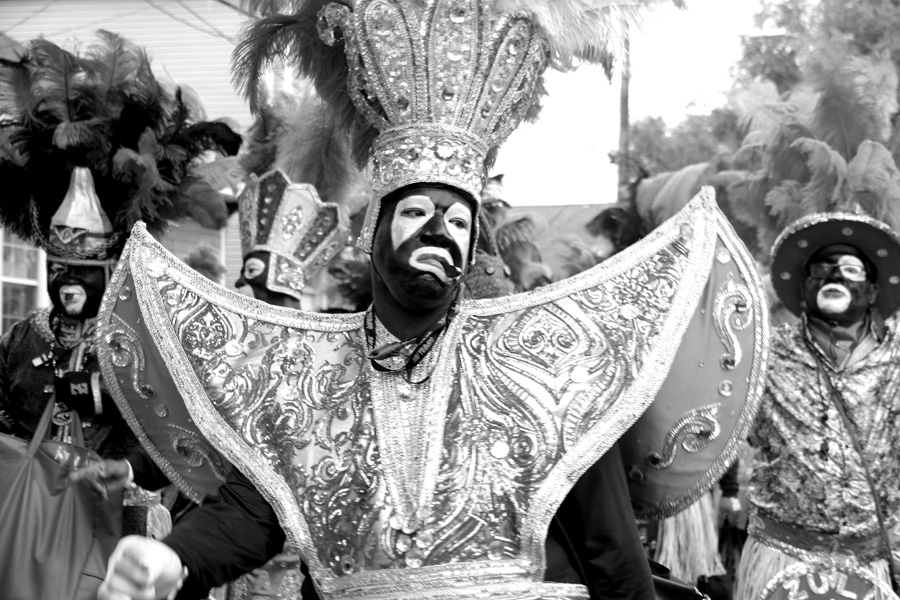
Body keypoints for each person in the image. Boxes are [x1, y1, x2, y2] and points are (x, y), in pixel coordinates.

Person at [94, 1, 768, 599]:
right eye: (417, 211)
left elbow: (613, 555)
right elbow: (254, 508)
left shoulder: (551, 363)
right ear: (372, 230)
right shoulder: (306, 375)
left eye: (459, 219)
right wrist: (172, 559)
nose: (441, 229)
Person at [734, 209, 900, 600]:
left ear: (872, 291)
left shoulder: (896, 362)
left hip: (869, 563)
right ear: (803, 287)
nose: (834, 276)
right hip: (779, 555)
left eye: (851, 269)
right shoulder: (762, 354)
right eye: (821, 269)